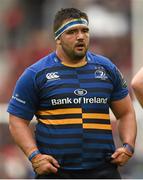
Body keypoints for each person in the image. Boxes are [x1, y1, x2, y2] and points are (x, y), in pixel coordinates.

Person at [7, 8, 137, 179]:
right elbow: (17, 120)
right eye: (72, 32)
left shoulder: (107, 68)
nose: (81, 36)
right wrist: (34, 156)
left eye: (85, 30)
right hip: (56, 172)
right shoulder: (36, 74)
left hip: (103, 171)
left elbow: (126, 112)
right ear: (58, 38)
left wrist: (128, 146)